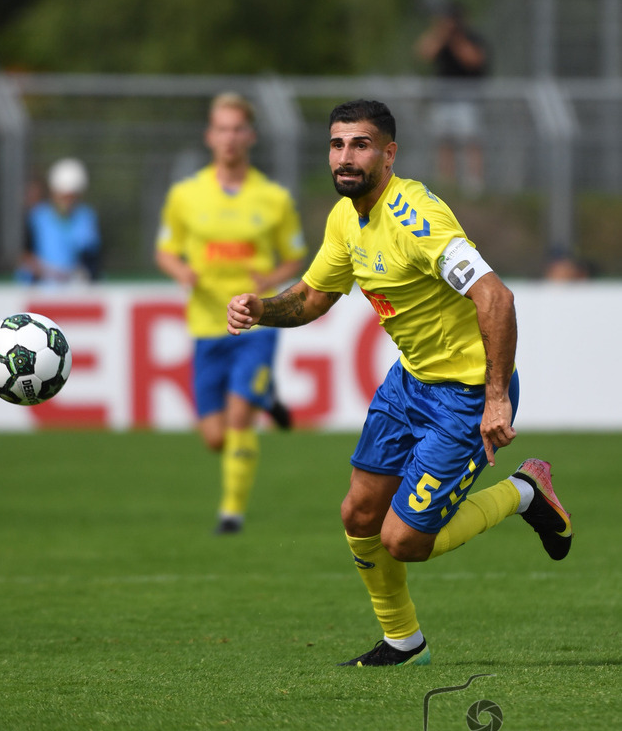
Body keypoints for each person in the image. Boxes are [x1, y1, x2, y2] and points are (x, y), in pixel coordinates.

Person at [227, 99, 572, 665]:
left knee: (404, 542)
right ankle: (403, 643)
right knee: (358, 515)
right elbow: (313, 297)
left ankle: (524, 492)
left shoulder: (417, 218)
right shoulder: (345, 217)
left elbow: (496, 297)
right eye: (337, 144)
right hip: (410, 383)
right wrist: (259, 308)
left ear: (389, 155)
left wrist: (495, 398)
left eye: (360, 145)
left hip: (464, 397)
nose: (345, 156)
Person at [155, 93, 307, 534]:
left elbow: (294, 257)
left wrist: (269, 279)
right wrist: (182, 271)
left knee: (240, 420)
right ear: (209, 135)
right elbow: (165, 251)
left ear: (251, 136)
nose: (230, 137)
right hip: (206, 324)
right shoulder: (185, 195)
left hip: (255, 322)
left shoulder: (273, 197)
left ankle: (231, 514)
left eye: (238, 128)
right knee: (215, 438)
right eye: (221, 128)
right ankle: (269, 395)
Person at [415, 0, 489, 195]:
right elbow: (424, 53)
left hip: (467, 99)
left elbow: (473, 60)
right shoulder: (440, 40)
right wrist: (440, 32)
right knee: (443, 141)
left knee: (470, 140)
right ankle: (447, 185)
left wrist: (456, 37)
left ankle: (474, 185)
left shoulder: (471, 38)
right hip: (443, 98)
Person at [16, 158, 101, 284]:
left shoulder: (86, 218)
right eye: (64, 196)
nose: (68, 202)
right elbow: (25, 256)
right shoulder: (37, 217)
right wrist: (52, 273)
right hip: (41, 292)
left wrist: (81, 274)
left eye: (72, 196)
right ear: (54, 193)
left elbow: (91, 258)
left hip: (75, 291)